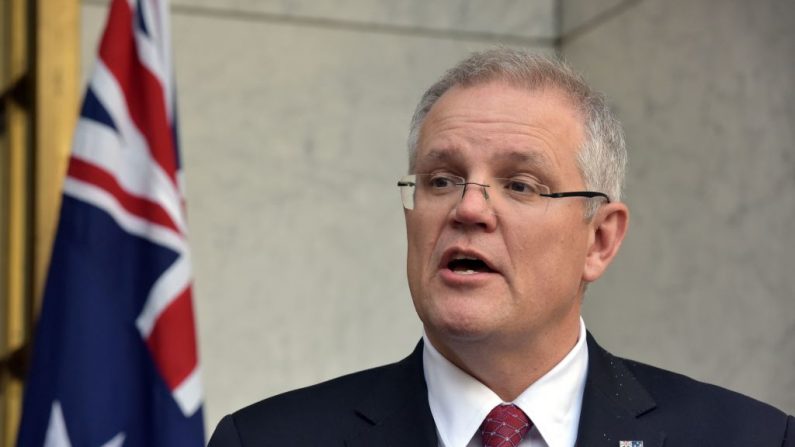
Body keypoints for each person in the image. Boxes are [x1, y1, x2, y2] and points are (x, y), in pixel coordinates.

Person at [208, 48, 793, 446]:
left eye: (520, 185)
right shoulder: (265, 439)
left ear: (599, 239)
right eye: (441, 179)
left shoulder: (750, 437)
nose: (468, 208)